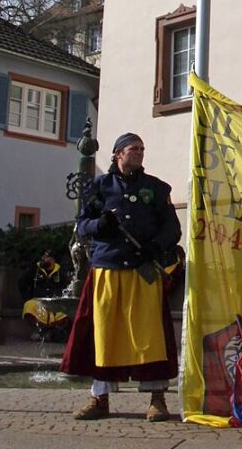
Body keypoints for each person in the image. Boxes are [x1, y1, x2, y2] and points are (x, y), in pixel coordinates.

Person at [62, 133, 182, 422]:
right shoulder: (99, 187)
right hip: (108, 269)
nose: (139, 152)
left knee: (149, 335)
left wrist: (155, 246)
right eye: (133, 148)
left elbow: (172, 228)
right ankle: (99, 398)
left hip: (143, 271)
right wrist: (99, 224)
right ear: (118, 154)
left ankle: (157, 400)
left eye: (142, 148)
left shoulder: (155, 188)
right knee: (104, 335)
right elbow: (81, 226)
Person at [19, 249, 70, 341]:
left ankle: (54, 332)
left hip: (56, 302)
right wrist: (28, 297)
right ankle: (38, 330)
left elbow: (68, 286)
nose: (43, 259)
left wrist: (61, 296)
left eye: (46, 257)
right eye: (43, 257)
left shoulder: (60, 271)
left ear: (53, 260)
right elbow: (22, 282)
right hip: (38, 301)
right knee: (29, 306)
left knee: (66, 311)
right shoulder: (35, 269)